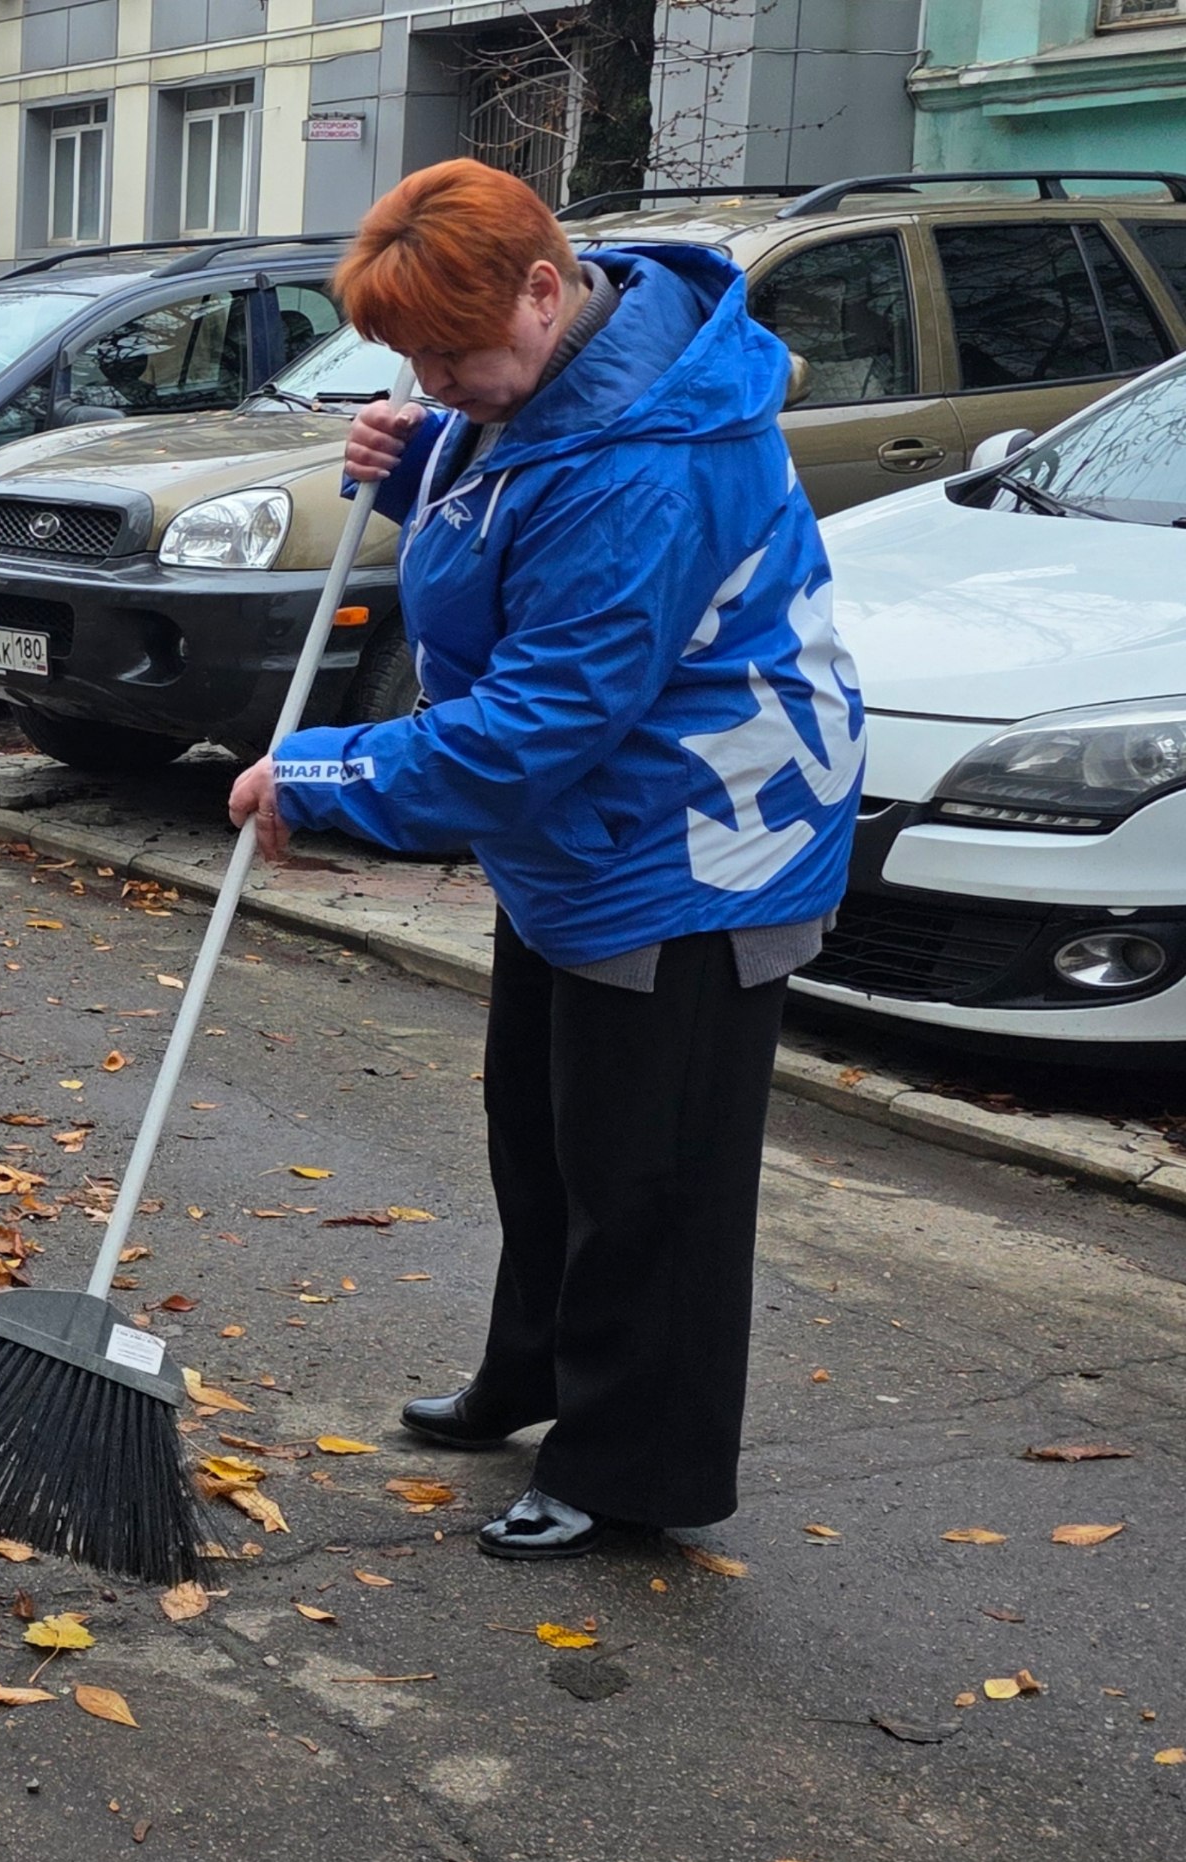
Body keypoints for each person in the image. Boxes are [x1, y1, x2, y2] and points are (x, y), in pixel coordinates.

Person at [228, 159, 864, 1560]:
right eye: (411, 360)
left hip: (694, 850)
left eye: (449, 355)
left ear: (539, 290)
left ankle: (633, 1467)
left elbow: (542, 718)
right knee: (546, 1134)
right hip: (583, 838)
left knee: (650, 1178)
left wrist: (325, 773)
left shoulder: (647, 461)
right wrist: (422, 474)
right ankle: (534, 1371)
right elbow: (516, 528)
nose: (434, 383)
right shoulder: (545, 390)